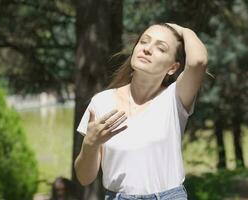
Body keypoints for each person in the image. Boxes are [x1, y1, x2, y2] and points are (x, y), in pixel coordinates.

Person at [74, 22, 208, 200]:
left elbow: (198, 61)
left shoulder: (175, 98)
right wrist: (90, 144)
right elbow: (84, 178)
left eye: (161, 48)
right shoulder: (101, 102)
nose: (147, 49)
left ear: (173, 68)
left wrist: (182, 30)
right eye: (144, 42)